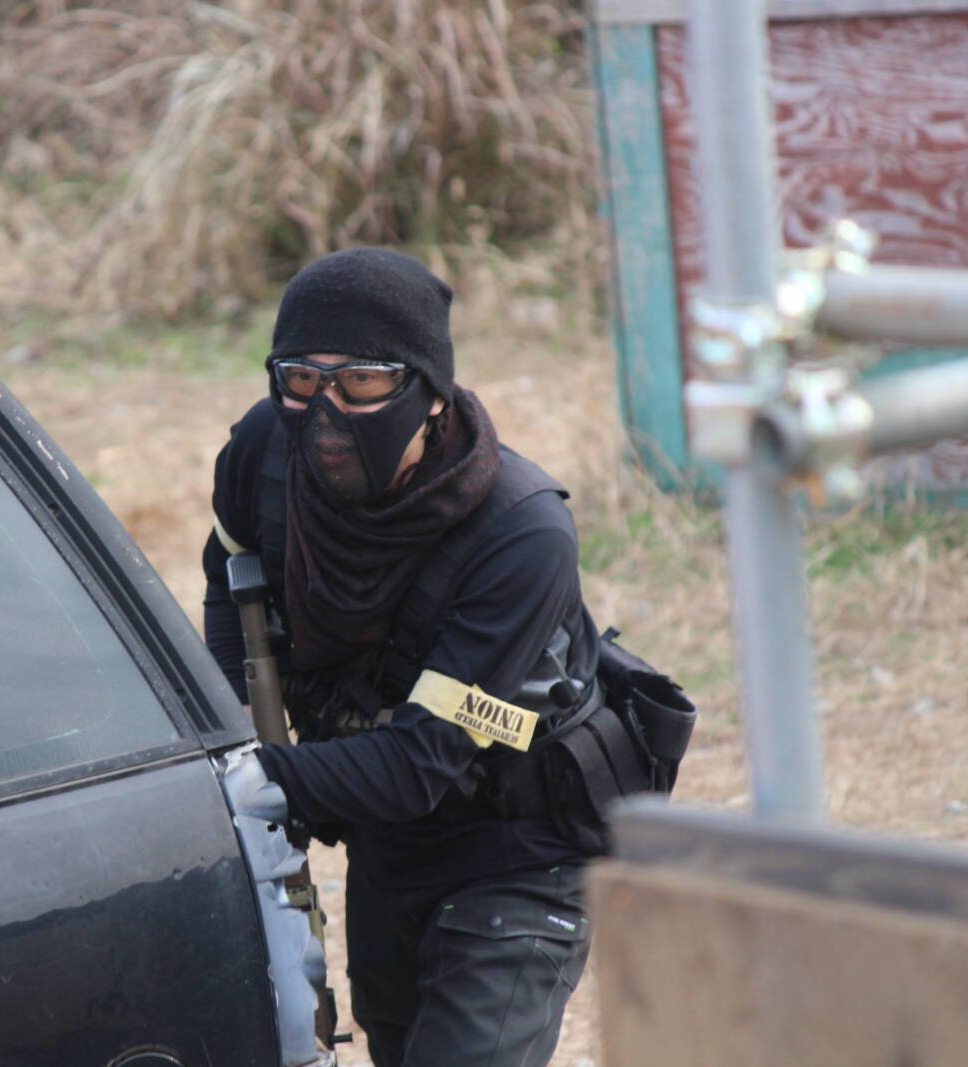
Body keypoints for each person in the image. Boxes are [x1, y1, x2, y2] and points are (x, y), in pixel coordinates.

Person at [202, 248, 642, 1067]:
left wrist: (257, 778)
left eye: (362, 381)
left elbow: (418, 762)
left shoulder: (521, 533)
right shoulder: (265, 456)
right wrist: (234, 735)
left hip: (518, 843)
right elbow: (231, 586)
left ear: (430, 391)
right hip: (389, 834)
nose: (326, 410)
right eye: (302, 378)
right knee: (398, 1045)